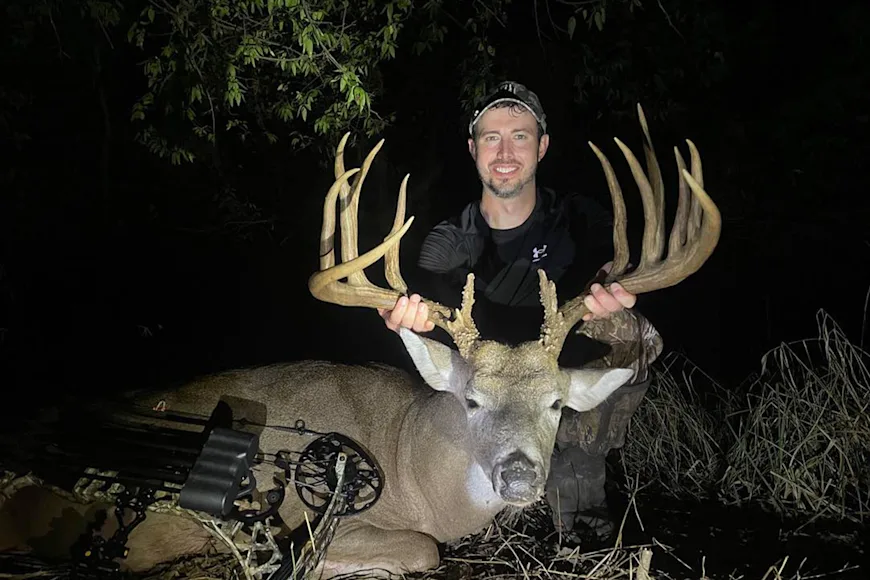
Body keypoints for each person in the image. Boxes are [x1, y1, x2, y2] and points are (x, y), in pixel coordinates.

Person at [378, 81, 662, 541]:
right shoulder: (448, 242)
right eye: (492, 137)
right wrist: (407, 319)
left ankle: (580, 459)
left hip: (549, 378)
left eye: (521, 136)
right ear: (473, 149)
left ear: (542, 145)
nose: (505, 151)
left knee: (631, 330)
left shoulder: (579, 219)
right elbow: (425, 309)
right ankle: (469, 464)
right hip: (489, 387)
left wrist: (618, 289)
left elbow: (616, 266)